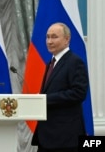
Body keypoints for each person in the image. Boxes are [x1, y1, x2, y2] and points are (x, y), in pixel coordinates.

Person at [31, 22, 89, 152]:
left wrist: (45, 99)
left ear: (67, 39)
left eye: (54, 37)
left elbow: (78, 93)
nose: (49, 41)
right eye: (47, 37)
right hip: (47, 136)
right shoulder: (51, 63)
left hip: (65, 138)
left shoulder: (75, 62)